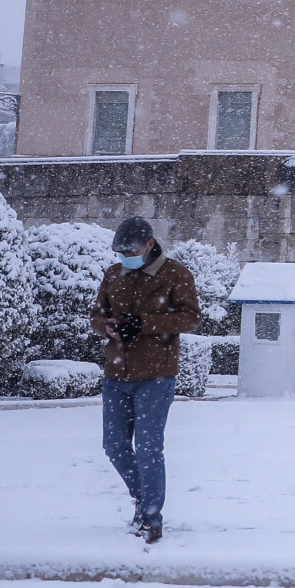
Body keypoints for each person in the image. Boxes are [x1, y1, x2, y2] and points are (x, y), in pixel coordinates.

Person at [90, 216, 201, 543]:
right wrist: (106, 326)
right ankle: (142, 495)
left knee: (149, 448)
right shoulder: (113, 274)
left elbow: (191, 318)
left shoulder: (176, 274)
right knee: (113, 446)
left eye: (132, 250)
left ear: (150, 244)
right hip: (116, 374)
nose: (125, 256)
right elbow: (96, 314)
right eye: (121, 251)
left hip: (156, 374)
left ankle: (151, 517)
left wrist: (143, 323)